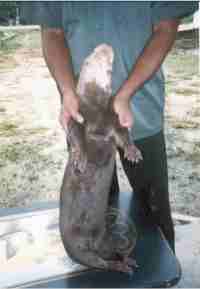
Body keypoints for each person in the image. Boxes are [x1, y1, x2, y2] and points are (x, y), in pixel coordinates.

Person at [20, 2, 198, 253]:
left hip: (139, 106)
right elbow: (52, 32)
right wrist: (68, 90)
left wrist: (124, 94)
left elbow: (166, 27)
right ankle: (104, 265)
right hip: (83, 114)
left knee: (155, 207)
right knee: (96, 206)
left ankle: (161, 269)